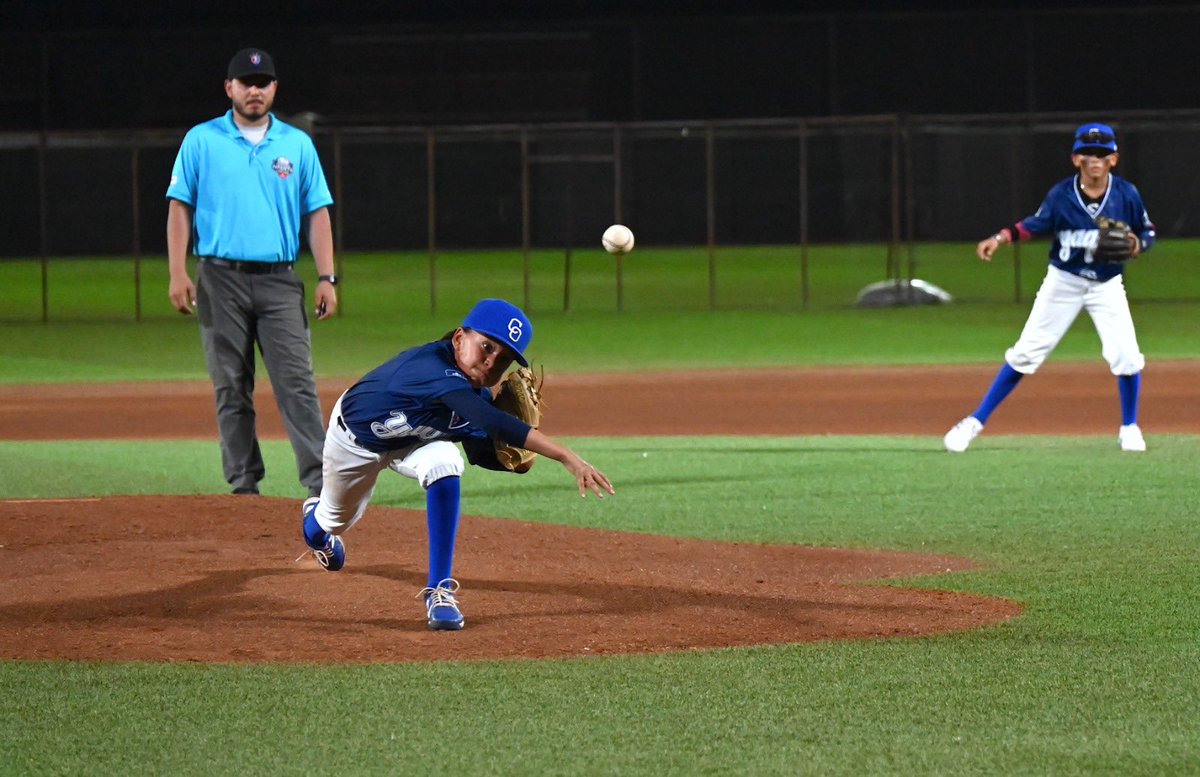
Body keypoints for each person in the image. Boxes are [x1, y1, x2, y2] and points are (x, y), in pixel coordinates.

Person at [299, 298, 615, 631]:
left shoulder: (472, 396)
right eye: (487, 346)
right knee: (332, 522)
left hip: (414, 442)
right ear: (460, 339)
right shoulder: (431, 369)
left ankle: (439, 590)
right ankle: (315, 527)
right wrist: (564, 455)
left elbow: (479, 451)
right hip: (355, 442)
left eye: (503, 359)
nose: (492, 362)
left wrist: (515, 463)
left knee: (446, 462)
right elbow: (490, 421)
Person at [166, 48, 338, 497]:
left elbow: (317, 211)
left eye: (262, 82)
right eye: (246, 82)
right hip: (219, 277)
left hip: (280, 280)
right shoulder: (201, 140)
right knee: (231, 386)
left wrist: (327, 276)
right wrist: (177, 272)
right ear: (230, 88)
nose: (254, 90)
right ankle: (244, 486)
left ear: (274, 88)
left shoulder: (296, 144)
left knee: (297, 385)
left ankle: (320, 486)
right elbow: (179, 207)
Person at [944, 122, 1156, 453]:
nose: (1095, 159)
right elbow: (1034, 225)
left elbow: (1148, 233)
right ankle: (975, 421)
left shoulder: (1126, 194)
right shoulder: (1061, 195)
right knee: (1026, 352)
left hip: (1106, 284)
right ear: (1076, 159)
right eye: (1088, 153)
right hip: (1064, 282)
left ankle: (1130, 426)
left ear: (1114, 159)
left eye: (1102, 153)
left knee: (1127, 356)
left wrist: (1137, 245)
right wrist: (1000, 238)